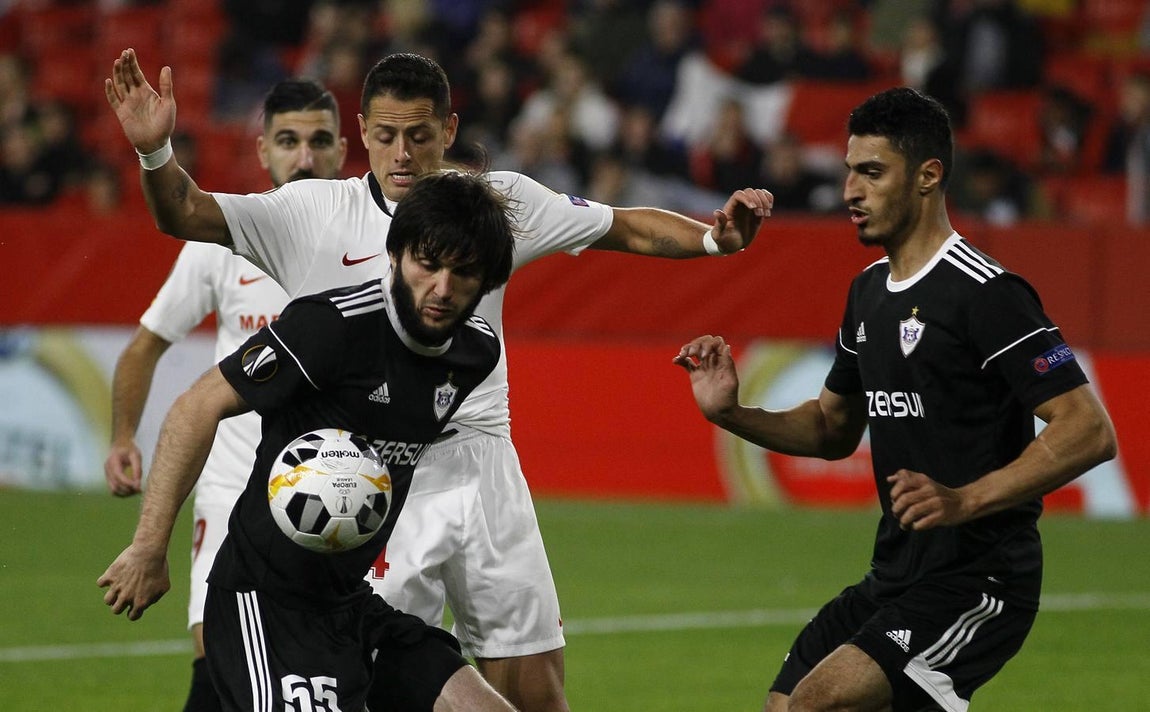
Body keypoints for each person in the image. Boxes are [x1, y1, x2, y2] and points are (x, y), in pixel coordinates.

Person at [104, 47, 772, 712]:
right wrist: (156, 155)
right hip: (366, 473)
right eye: (386, 136)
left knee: (536, 691)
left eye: (419, 137)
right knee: (374, 685)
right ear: (361, 131)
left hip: (480, 455)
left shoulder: (496, 208)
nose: (401, 154)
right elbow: (185, 215)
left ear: (447, 133)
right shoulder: (309, 214)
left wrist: (716, 240)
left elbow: (623, 227)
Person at [673, 87, 1117, 711]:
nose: (851, 190)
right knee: (783, 705)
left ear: (928, 176)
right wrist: (732, 414)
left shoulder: (986, 293)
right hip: (896, 574)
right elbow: (832, 429)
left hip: (980, 580)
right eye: (851, 171)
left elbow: (1088, 429)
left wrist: (966, 498)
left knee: (816, 704)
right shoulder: (867, 294)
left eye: (873, 173)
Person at [98, 169, 520, 712]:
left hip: (352, 603)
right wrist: (149, 547)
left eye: (463, 272)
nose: (442, 288)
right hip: (263, 604)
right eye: (427, 264)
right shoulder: (331, 326)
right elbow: (194, 407)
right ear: (395, 255)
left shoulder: (474, 353)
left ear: (486, 281)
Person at [102, 78, 347, 712]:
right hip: (233, 482)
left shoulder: (367, 241)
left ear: (343, 150)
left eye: (319, 141)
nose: (305, 157)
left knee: (336, 673)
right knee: (220, 664)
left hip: (339, 490)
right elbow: (144, 346)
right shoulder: (227, 239)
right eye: (288, 141)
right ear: (262, 150)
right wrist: (123, 435)